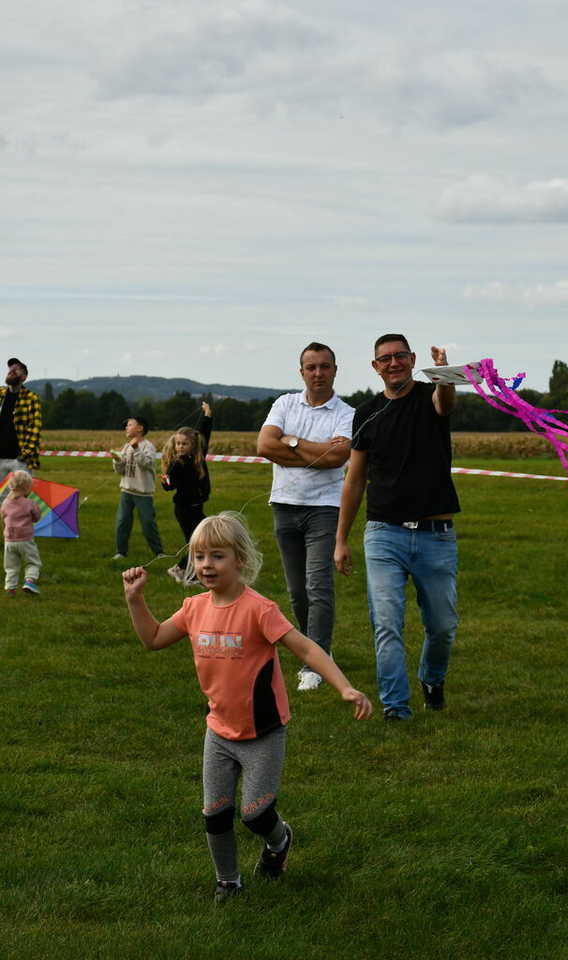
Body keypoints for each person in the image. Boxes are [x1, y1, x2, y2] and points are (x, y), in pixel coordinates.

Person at [122, 512, 372, 904]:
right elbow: (153, 638)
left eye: (217, 556)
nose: (206, 565)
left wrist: (344, 686)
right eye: (199, 557)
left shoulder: (259, 609)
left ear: (240, 559)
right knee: (216, 813)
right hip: (219, 731)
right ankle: (228, 880)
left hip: (263, 732)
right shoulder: (193, 608)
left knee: (256, 815)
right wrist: (135, 600)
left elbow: (305, 647)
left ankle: (280, 840)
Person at [334, 335, 460, 720]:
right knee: (386, 623)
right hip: (383, 533)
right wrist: (341, 539)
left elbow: (446, 402)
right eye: (385, 359)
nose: (394, 363)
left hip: (435, 535)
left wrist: (443, 373)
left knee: (441, 626)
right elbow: (354, 481)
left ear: (412, 360)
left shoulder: (429, 396)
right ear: (375, 367)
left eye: (400, 356)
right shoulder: (367, 413)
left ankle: (432, 678)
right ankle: (395, 708)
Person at [257, 343, 354, 692]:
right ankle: (314, 646)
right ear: (301, 372)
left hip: (324, 509)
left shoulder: (345, 413)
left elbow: (337, 457)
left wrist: (292, 443)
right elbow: (265, 446)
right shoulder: (284, 403)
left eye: (324, 366)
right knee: (297, 592)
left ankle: (317, 660)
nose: (318, 373)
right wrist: (315, 450)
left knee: (318, 587)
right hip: (284, 505)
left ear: (334, 370)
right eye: (311, 367)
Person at [160, 401, 213, 582]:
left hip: (196, 507)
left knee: (202, 541)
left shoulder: (198, 457)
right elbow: (169, 486)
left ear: (193, 444)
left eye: (184, 444)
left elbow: (204, 433)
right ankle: (180, 570)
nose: (180, 447)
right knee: (196, 543)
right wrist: (165, 481)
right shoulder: (177, 464)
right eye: (178, 444)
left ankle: (190, 573)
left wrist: (207, 415)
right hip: (184, 509)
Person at [111, 416, 164, 560]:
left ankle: (159, 552)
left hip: (143, 493)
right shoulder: (126, 446)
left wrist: (136, 448)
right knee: (122, 522)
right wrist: (116, 461)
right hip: (126, 491)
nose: (126, 428)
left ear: (140, 428)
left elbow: (147, 464)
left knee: (148, 523)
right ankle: (121, 552)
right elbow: (120, 471)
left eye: (129, 425)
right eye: (126, 426)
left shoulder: (148, 446)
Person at [0, 358, 42, 482]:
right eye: (10, 368)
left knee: (19, 497)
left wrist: (25, 455)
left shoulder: (31, 398)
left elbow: (35, 428)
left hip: (19, 461)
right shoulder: (1, 394)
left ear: (24, 377)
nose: (12, 370)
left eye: (16, 369)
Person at [1, 469, 42, 596]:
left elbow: (3, 517)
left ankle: (10, 588)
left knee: (11, 566)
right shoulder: (30, 503)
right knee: (33, 562)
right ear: (28, 488)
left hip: (9, 541)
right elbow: (36, 517)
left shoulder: (5, 503)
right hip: (26, 540)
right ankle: (29, 581)